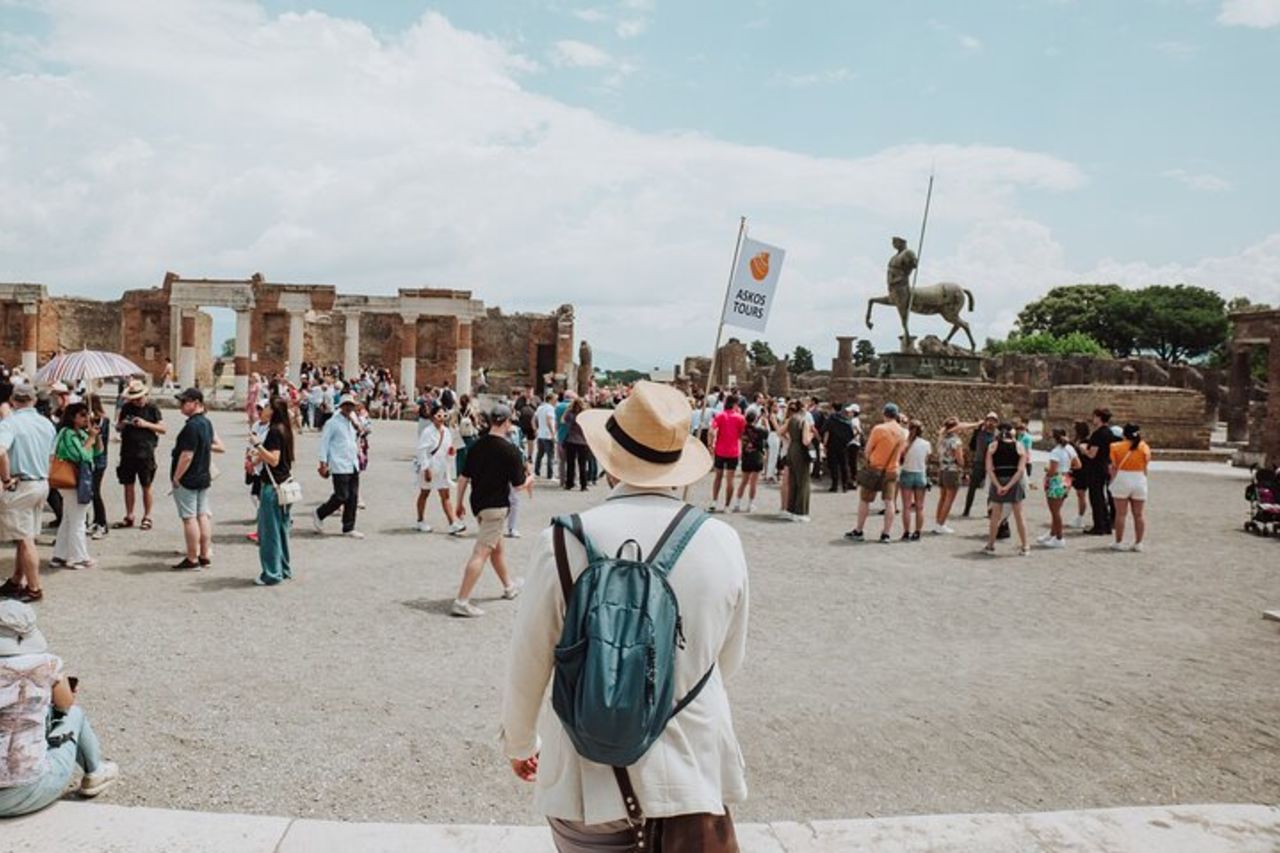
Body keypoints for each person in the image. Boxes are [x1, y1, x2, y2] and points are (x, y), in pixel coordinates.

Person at [499, 380, 748, 851]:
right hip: (691, 772)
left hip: (590, 776)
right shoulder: (723, 541)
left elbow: (528, 661)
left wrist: (520, 742)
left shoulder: (565, 542)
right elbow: (727, 661)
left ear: (609, 460)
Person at [0, 600, 118, 815]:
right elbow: (65, 705)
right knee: (75, 714)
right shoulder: (48, 663)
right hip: (32, 790)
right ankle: (96, 772)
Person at [450, 404, 527, 617]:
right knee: (481, 552)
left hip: (479, 503)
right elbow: (519, 486)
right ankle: (462, 600)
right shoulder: (510, 450)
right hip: (496, 505)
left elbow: (464, 477)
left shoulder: (476, 445)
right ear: (505, 422)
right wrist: (530, 478)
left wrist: (459, 503)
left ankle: (509, 586)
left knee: (497, 547)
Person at [0, 387, 55, 602]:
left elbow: (1, 451)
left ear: (13, 400)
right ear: (32, 400)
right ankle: (16, 580)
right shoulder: (46, 424)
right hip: (41, 482)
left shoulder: (10, 423)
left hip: (21, 483)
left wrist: (5, 480)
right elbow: (51, 456)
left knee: (24, 539)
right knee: (26, 535)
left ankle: (34, 588)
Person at [170, 388, 223, 570]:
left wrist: (177, 477)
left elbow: (186, 455)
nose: (181, 406)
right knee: (202, 516)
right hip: (202, 475)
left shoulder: (191, 426)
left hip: (189, 477)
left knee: (189, 518)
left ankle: (192, 557)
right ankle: (204, 554)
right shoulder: (206, 423)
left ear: (196, 403)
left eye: (185, 402)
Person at [250, 399, 295, 585]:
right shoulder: (285, 429)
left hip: (273, 487)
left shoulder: (274, 431)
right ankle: (283, 568)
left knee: (269, 533)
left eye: (267, 406)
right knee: (282, 530)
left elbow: (274, 459)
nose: (263, 409)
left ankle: (271, 573)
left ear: (273, 411)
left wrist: (258, 445)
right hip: (284, 483)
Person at [847, 403, 907, 543]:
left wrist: (869, 460)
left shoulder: (879, 429)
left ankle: (859, 530)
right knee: (889, 502)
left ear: (884, 414)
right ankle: (885, 534)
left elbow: (868, 450)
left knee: (865, 500)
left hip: (875, 467)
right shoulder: (902, 432)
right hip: (892, 469)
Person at [51, 402, 97, 571]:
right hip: (72, 480)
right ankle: (78, 557)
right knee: (78, 520)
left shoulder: (80, 433)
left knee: (69, 519)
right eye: (82, 415)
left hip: (78, 480)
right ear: (72, 417)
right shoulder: (68, 434)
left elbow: (96, 453)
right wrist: (91, 439)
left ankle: (60, 555)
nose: (87, 418)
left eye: (87, 414)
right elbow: (81, 456)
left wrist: (94, 437)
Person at [114, 380, 165, 532]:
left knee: (146, 485)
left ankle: (147, 516)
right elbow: (117, 426)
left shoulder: (153, 408)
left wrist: (145, 424)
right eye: (134, 399)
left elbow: (163, 428)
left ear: (145, 395)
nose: (137, 401)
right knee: (127, 485)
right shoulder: (127, 408)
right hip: (127, 451)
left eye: (139, 398)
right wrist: (122, 424)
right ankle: (129, 515)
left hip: (146, 452)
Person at [313, 394, 365, 539]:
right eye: (346, 405)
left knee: (353, 497)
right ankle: (320, 513)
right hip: (339, 462)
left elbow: (361, 433)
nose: (349, 408)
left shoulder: (352, 421)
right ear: (341, 406)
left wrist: (356, 424)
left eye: (351, 405)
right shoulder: (332, 423)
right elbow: (324, 443)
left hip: (352, 462)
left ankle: (349, 527)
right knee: (342, 495)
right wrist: (323, 462)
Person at [415, 401, 462, 534]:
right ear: (433, 417)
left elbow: (448, 448)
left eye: (443, 415)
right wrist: (426, 468)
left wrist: (452, 451)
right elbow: (422, 450)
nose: (441, 418)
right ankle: (420, 520)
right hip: (429, 466)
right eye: (438, 415)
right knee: (425, 493)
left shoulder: (447, 431)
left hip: (441, 467)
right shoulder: (427, 432)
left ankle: (453, 523)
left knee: (445, 495)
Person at [983, 422, 1029, 555]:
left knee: (995, 516)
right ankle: (1025, 546)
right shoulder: (1019, 446)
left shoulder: (992, 446)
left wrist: (998, 486)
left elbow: (989, 469)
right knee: (1019, 515)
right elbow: (1020, 470)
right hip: (1014, 482)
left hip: (998, 480)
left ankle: (991, 545)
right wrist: (1009, 486)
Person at [1109, 423, 1151, 552]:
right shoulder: (1144, 447)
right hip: (1139, 478)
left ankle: (1119, 542)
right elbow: (1146, 466)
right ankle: (1138, 543)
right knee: (1139, 514)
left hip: (1123, 477)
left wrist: (1112, 480)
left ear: (1124, 434)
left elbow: (1113, 467)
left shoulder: (1115, 446)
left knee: (1120, 514)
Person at [1038, 427, 1080, 549]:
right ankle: (1052, 533)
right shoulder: (1069, 448)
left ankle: (1059, 537)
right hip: (1066, 478)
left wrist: (1047, 472)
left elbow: (1052, 470)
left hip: (1056, 480)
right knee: (1056, 510)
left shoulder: (1056, 452)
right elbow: (1078, 464)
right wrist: (1066, 467)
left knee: (1055, 512)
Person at [706, 394, 745, 514]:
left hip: (720, 450)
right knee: (730, 479)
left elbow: (711, 430)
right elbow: (742, 435)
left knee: (718, 477)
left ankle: (714, 501)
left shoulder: (720, 416)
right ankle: (727, 505)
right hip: (733, 451)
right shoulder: (740, 418)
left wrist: (710, 444)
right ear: (734, 404)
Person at [1082, 408, 1116, 535]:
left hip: (1095, 468)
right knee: (1102, 497)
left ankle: (1099, 526)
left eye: (1094, 416)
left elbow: (1092, 454)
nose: (1093, 419)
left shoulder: (1098, 434)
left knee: (1096, 497)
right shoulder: (1110, 433)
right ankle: (1106, 524)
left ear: (1099, 417)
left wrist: (1083, 449)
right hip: (1105, 466)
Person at [932, 417, 965, 534]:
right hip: (952, 470)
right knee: (949, 499)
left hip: (942, 469)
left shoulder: (942, 439)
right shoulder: (956, 441)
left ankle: (938, 522)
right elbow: (959, 459)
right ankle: (941, 524)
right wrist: (962, 465)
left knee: (942, 498)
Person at [899, 419, 930, 541]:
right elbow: (926, 460)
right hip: (920, 474)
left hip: (907, 472)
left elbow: (900, 459)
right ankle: (917, 532)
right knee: (919, 507)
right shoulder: (926, 444)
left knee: (906, 506)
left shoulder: (904, 443)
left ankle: (906, 532)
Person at [962, 413, 999, 517]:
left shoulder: (998, 435)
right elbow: (972, 446)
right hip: (979, 462)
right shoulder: (979, 433)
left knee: (991, 488)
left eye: (993, 421)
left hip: (992, 464)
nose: (991, 423)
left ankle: (990, 511)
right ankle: (967, 510)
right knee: (972, 487)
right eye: (989, 420)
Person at [783, 399, 813, 522]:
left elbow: (780, 432)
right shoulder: (803, 421)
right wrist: (811, 435)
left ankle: (791, 509)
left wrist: (789, 440)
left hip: (792, 448)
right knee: (804, 481)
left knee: (793, 480)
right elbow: (806, 441)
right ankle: (801, 512)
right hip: (800, 451)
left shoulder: (791, 419)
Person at [733, 409, 768, 513]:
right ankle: (750, 504)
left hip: (746, 456)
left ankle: (737, 504)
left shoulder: (743, 429)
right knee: (753, 482)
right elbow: (767, 433)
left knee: (744, 481)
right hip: (757, 456)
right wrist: (765, 420)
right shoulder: (760, 430)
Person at [86, 394, 110, 539]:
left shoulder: (102, 420)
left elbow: (100, 438)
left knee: (95, 491)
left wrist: (93, 426)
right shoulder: (87, 419)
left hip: (99, 459)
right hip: (90, 458)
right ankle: (95, 521)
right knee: (90, 491)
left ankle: (102, 523)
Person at [561, 398, 592, 492]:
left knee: (570, 464)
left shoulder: (570, 414)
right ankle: (583, 485)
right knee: (582, 465)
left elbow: (563, 420)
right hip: (583, 442)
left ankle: (569, 484)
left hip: (571, 441)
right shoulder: (585, 416)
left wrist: (568, 409)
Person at [1070, 421, 1091, 528]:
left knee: (1081, 494)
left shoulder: (1086, 441)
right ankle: (1079, 516)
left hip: (1083, 470)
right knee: (1079, 494)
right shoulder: (1076, 441)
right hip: (1076, 470)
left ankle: (1080, 517)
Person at [534, 392, 557, 480]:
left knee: (540, 454)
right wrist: (553, 433)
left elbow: (533, 419)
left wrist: (536, 429)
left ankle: (537, 471)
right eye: (555, 400)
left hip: (540, 434)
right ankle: (550, 475)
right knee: (550, 456)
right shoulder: (550, 408)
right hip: (548, 435)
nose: (556, 402)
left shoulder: (540, 408)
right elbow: (549, 421)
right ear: (550, 400)